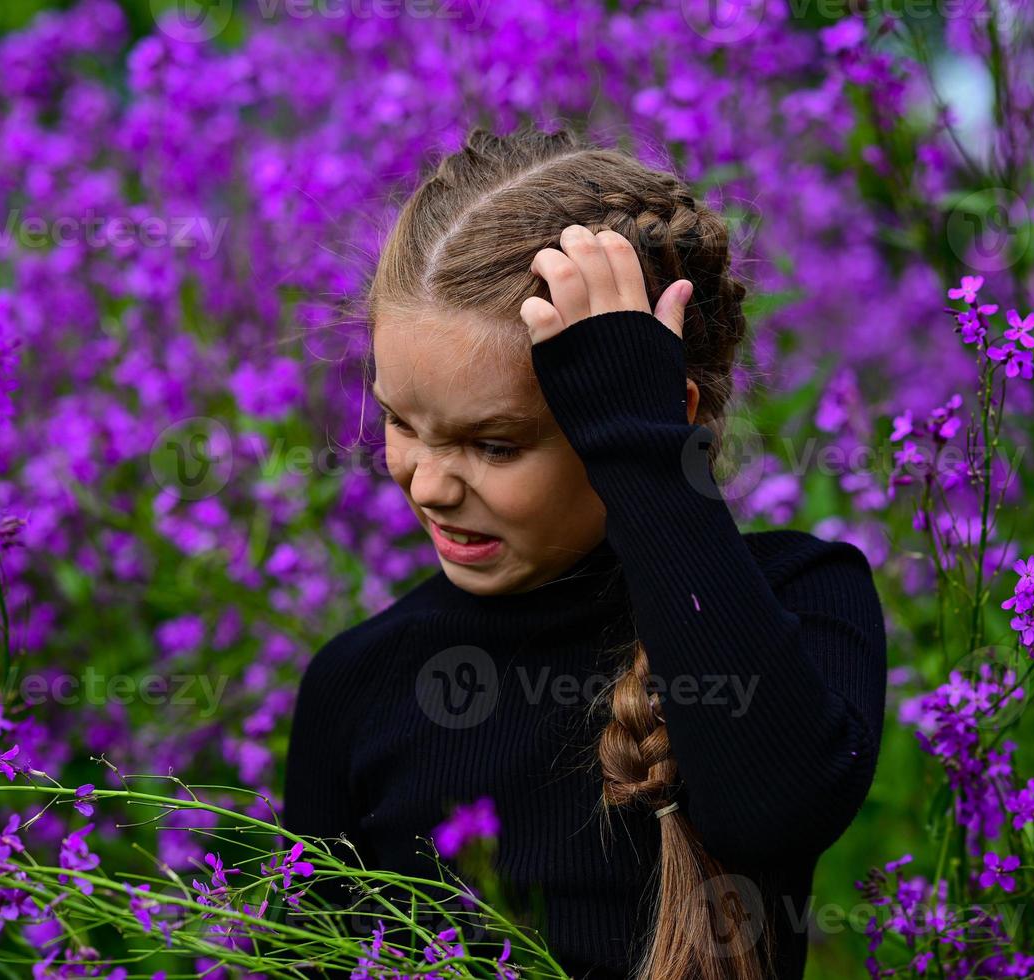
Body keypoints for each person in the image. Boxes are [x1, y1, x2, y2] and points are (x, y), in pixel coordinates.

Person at [281, 123, 888, 979]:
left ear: (642, 415)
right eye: (399, 421)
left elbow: (769, 813)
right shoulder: (357, 682)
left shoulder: (799, 597)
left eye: (493, 445)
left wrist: (645, 453)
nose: (427, 484)